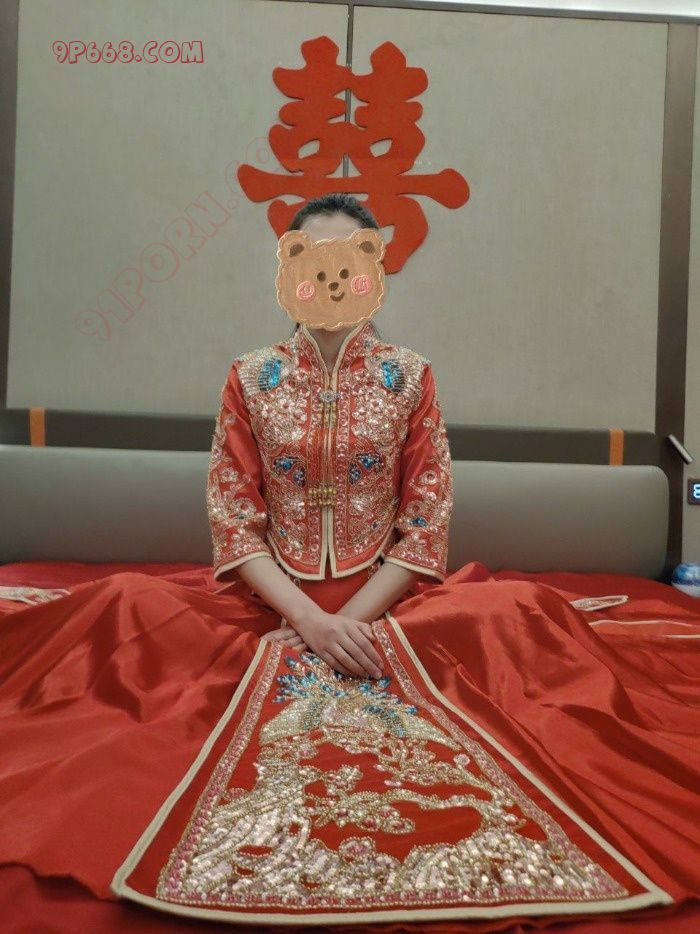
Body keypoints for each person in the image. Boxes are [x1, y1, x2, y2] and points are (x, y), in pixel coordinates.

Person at [0, 195, 698, 931]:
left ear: (374, 268)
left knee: (517, 613)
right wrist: (308, 621)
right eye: (311, 257)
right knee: (125, 604)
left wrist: (344, 626)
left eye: (349, 258)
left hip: (391, 607)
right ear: (289, 268)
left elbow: (426, 524)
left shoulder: (411, 377)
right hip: (268, 604)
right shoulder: (250, 377)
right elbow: (233, 518)